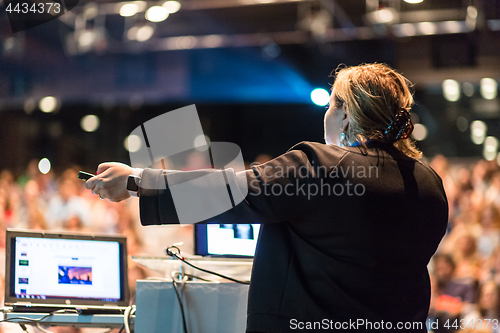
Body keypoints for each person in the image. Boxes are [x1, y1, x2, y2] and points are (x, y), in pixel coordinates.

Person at [85, 63, 448, 332]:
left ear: (347, 114)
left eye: (331, 104)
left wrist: (136, 181)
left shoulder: (321, 165)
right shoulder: (429, 184)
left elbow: (228, 192)